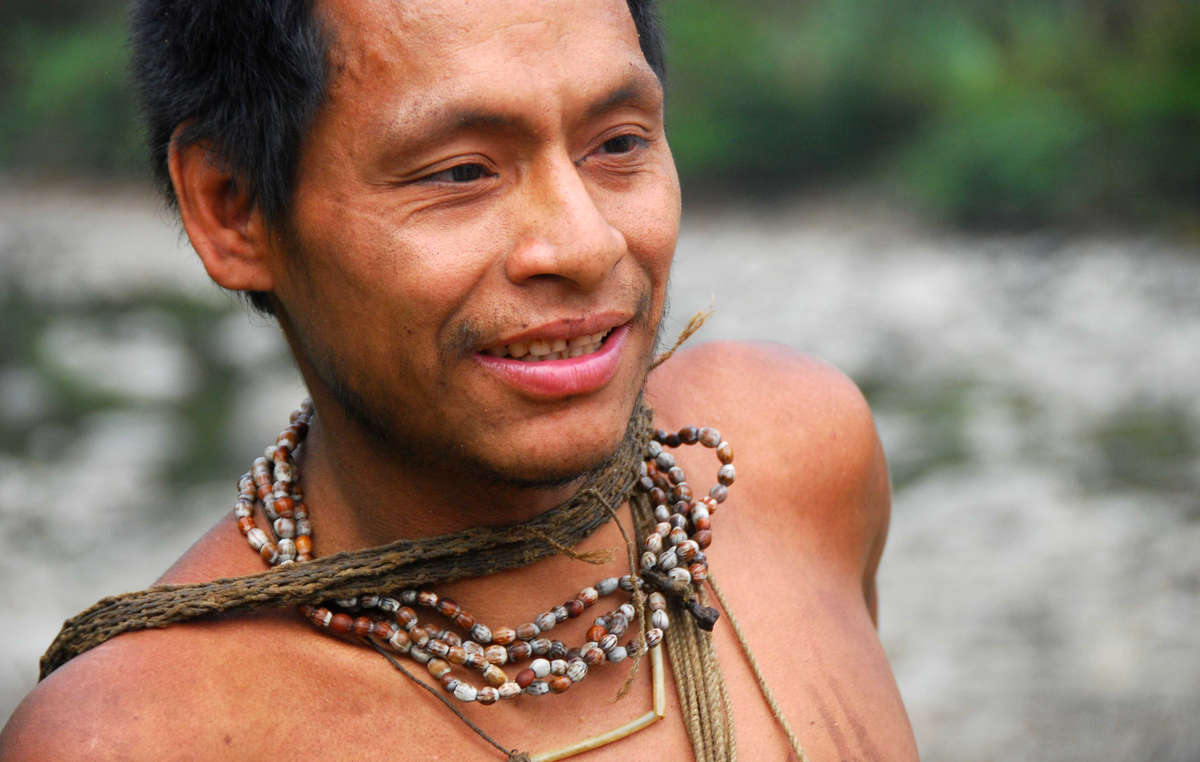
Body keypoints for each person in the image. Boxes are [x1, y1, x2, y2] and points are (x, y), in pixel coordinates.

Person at [0, 0, 919, 759]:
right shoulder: (141, 736)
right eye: (462, 171)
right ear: (233, 207)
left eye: (618, 144)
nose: (585, 243)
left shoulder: (799, 457)